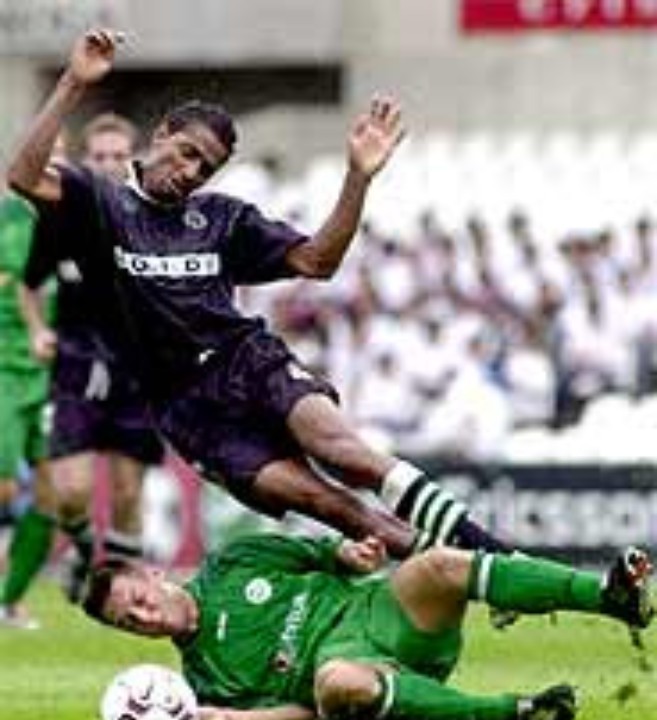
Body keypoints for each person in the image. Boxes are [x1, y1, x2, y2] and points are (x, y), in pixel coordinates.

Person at [7, 29, 515, 563]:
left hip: (249, 362)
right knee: (335, 508)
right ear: (161, 134)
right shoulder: (100, 202)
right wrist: (74, 82)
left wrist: (357, 179)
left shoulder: (223, 218)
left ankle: (500, 558)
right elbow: (22, 176)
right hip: (188, 408)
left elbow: (318, 262)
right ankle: (479, 570)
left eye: (205, 168)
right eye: (186, 154)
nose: (190, 173)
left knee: (349, 454)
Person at [82, 532, 654, 720]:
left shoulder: (234, 562)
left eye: (138, 601)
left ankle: (611, 598)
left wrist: (354, 553)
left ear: (152, 574)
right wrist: (235, 718)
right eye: (128, 623)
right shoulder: (203, 683)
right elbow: (308, 713)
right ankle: (516, 711)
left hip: (386, 615)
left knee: (438, 564)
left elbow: (327, 553)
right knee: (335, 684)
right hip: (364, 674)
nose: (144, 618)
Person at [19, 112, 165, 602]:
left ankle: (120, 593)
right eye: (99, 156)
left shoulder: (153, 217)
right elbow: (29, 282)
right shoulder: (59, 217)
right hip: (77, 361)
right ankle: (82, 549)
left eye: (119, 156)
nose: (108, 164)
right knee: (72, 491)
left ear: (134, 161)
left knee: (127, 492)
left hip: (135, 368)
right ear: (86, 161)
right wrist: (39, 330)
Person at [0, 178, 58, 628]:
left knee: (53, 498)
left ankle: (9, 600)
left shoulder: (77, 221)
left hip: (56, 374)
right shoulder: (7, 220)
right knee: (3, 487)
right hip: (4, 368)